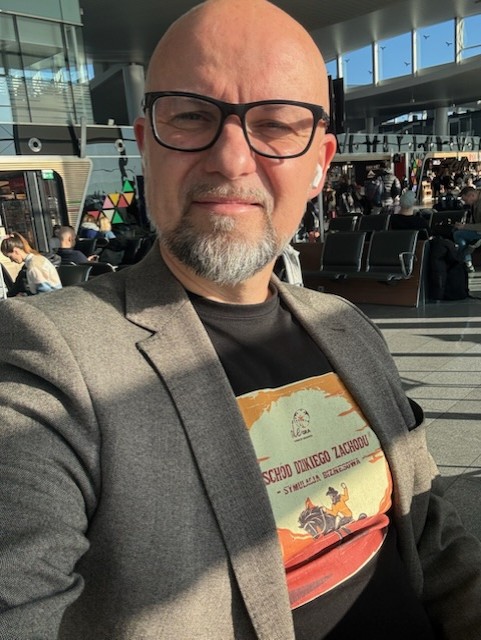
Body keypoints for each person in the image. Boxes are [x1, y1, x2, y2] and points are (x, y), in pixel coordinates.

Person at [0, 2, 479, 639]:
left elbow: (426, 527)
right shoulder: (52, 356)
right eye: (191, 116)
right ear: (146, 145)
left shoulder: (346, 326)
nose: (231, 159)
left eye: (276, 124)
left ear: (320, 164)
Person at [453, 185, 481, 273]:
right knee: (457, 232)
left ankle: (465, 260)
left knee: (457, 234)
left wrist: (464, 226)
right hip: (477, 230)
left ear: (471, 195)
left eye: (465, 200)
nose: (465, 203)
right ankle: (467, 259)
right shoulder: (475, 202)